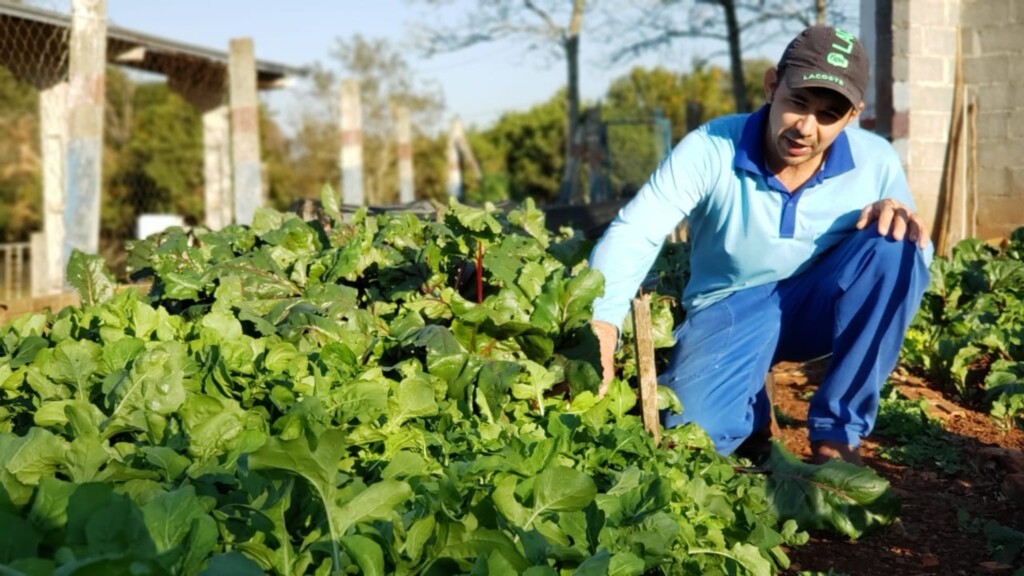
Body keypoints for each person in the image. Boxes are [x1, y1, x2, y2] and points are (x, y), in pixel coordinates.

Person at [588, 25, 932, 465]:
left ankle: (838, 432)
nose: (806, 128)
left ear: (852, 117)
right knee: (691, 439)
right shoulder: (711, 146)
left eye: (828, 114)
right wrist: (603, 324)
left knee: (896, 241)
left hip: (816, 307)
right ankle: (748, 406)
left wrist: (906, 228)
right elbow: (637, 230)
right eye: (798, 103)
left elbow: (912, 268)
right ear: (772, 86)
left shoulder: (875, 160)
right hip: (733, 304)